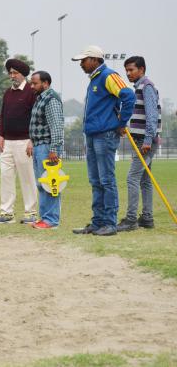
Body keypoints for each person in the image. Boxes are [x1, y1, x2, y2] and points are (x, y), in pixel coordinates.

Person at [71, 46, 135, 236]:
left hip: (105, 134)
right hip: (92, 135)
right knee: (95, 180)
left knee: (106, 180)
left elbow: (128, 95)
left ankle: (109, 223)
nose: (81, 64)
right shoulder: (94, 79)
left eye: (84, 60)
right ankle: (97, 222)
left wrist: (122, 122)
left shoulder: (108, 75)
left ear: (95, 60)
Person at [0, 59, 38, 224]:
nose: (12, 76)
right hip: (7, 143)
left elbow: (35, 118)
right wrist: (1, 136)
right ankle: (6, 213)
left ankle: (31, 212)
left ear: (23, 74)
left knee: (27, 178)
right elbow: (3, 116)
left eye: (15, 73)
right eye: (10, 73)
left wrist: (32, 140)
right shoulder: (7, 93)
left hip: (25, 142)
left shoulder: (31, 92)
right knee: (5, 177)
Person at [117, 56, 161, 231]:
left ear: (141, 69)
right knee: (144, 180)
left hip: (145, 141)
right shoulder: (136, 88)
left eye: (131, 70)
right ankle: (147, 218)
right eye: (126, 70)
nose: (128, 73)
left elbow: (151, 115)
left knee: (132, 178)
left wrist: (148, 139)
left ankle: (130, 220)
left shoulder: (147, 86)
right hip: (139, 139)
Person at [28, 71, 64, 229]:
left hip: (47, 147)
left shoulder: (51, 99)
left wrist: (54, 149)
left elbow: (56, 126)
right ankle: (44, 218)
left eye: (35, 83)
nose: (32, 86)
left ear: (46, 83)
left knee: (50, 183)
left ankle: (51, 220)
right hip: (38, 146)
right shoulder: (40, 99)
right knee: (41, 184)